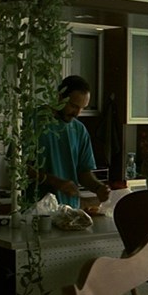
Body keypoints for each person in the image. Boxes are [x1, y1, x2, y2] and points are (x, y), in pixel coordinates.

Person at [31, 75, 111, 208]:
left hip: (69, 210)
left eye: (82, 108)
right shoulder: (33, 121)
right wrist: (56, 182)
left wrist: (98, 188)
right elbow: (19, 167)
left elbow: (83, 172)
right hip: (37, 209)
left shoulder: (79, 130)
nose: (77, 113)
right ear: (60, 97)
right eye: (73, 106)